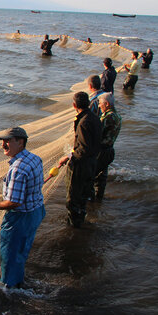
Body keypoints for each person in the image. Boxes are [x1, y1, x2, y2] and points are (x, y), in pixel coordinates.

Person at [0, 127, 45, 288]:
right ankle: (18, 281)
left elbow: (15, 202)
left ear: (20, 142)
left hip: (20, 219)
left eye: (8, 141)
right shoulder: (34, 158)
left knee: (10, 255)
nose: (3, 145)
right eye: (2, 141)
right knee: (21, 251)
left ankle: (9, 290)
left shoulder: (18, 168)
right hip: (37, 211)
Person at [59, 92, 102, 228]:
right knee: (84, 194)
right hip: (92, 163)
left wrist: (69, 156)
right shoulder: (95, 118)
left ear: (74, 105)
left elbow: (83, 149)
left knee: (73, 198)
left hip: (81, 165)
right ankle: (81, 219)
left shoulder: (83, 122)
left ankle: (75, 226)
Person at [91, 92, 122, 201]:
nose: (99, 106)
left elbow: (97, 133)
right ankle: (99, 199)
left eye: (100, 104)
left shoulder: (107, 117)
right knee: (102, 176)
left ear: (107, 104)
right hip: (109, 151)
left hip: (101, 152)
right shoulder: (117, 116)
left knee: (91, 176)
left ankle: (91, 200)